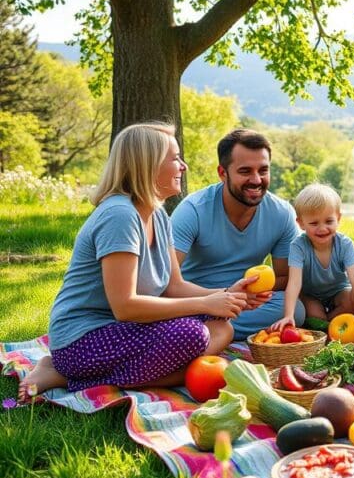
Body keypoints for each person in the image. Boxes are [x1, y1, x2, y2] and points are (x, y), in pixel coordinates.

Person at [18, 122, 255, 401]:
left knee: (222, 327)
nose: (183, 166)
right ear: (148, 165)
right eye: (175, 158)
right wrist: (204, 304)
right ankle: (65, 374)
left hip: (124, 334)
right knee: (192, 334)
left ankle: (104, 375)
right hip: (81, 341)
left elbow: (174, 287)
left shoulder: (158, 215)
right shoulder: (120, 215)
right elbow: (125, 307)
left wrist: (227, 296)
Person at [171, 129, 304, 340]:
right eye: (245, 171)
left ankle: (206, 331)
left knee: (294, 308)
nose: (256, 180)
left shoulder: (281, 213)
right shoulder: (192, 210)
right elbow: (167, 282)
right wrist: (223, 295)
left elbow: (285, 277)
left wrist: (249, 293)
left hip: (244, 305)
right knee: (172, 309)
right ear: (222, 173)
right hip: (199, 300)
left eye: (263, 170)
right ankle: (202, 330)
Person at [270, 183, 354, 332]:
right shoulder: (298, 246)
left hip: (338, 291)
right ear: (301, 223)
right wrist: (288, 315)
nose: (322, 228)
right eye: (314, 223)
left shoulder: (345, 244)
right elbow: (294, 283)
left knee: (351, 301)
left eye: (329, 221)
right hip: (311, 294)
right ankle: (324, 324)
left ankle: (332, 323)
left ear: (338, 218)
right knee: (315, 315)